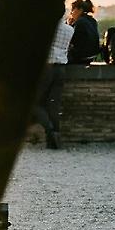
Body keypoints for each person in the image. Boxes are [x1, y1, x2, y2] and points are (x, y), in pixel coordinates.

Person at [33, 14, 74, 149]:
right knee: (54, 104)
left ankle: (49, 130)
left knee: (35, 103)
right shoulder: (69, 29)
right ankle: (55, 137)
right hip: (61, 69)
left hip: (47, 68)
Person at [67, 0, 99, 65]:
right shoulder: (92, 20)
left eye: (73, 9)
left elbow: (71, 40)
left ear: (80, 10)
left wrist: (69, 25)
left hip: (81, 56)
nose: (71, 13)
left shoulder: (80, 22)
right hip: (92, 56)